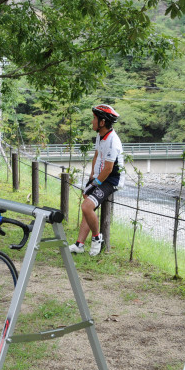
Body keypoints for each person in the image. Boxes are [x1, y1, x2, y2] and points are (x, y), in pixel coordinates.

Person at [69, 104, 124, 256]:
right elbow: (96, 155)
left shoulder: (113, 141)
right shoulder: (101, 136)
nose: (92, 121)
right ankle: (79, 244)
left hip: (111, 180)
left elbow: (108, 168)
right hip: (100, 177)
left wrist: (96, 183)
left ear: (102, 122)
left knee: (86, 206)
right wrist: (91, 176)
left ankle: (97, 238)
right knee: (87, 203)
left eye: (94, 118)